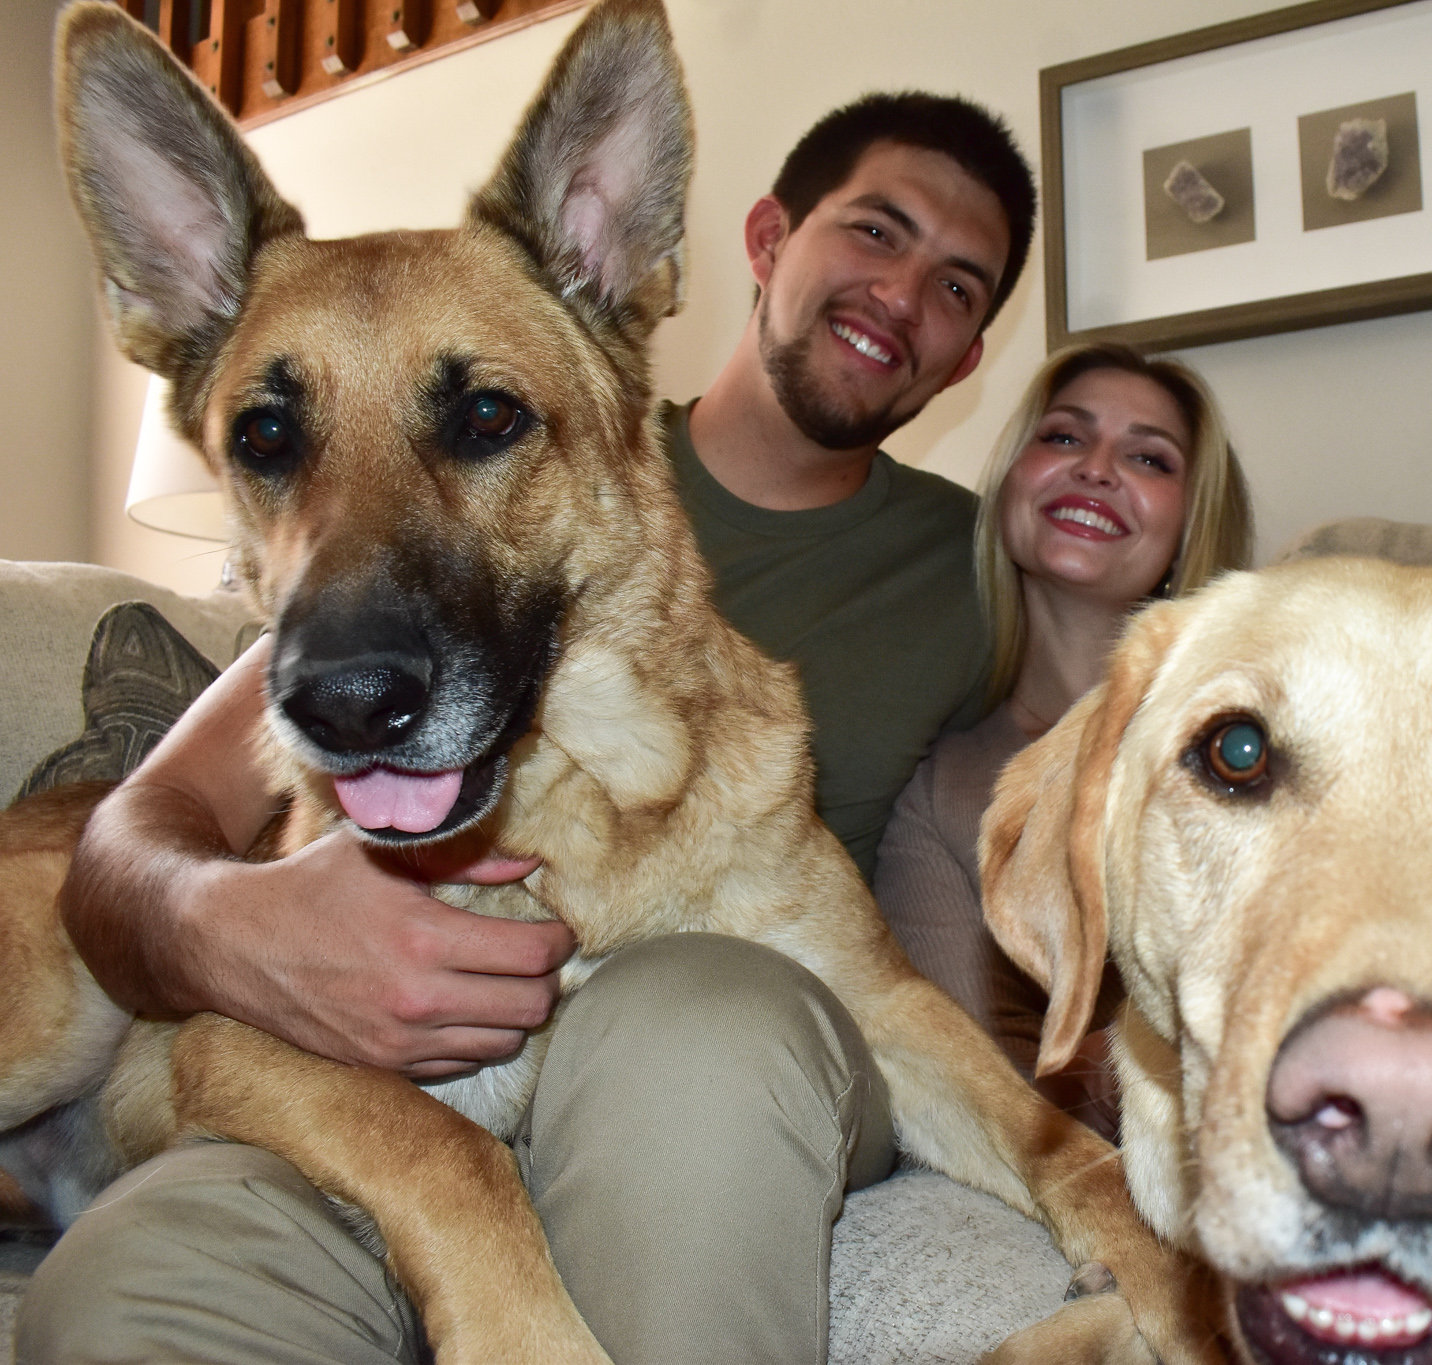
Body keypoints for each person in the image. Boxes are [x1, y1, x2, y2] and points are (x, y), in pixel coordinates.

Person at [21, 91, 1034, 1365]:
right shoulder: (543, 375)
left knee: (710, 1026)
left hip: (712, 1044)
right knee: (128, 1300)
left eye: (958, 286)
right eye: (877, 233)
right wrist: (234, 929)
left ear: (969, 357)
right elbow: (133, 839)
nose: (902, 294)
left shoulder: (984, 564)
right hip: (361, 1086)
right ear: (765, 237)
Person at [873, 343, 1253, 1140]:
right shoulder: (942, 788)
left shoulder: (1254, 746)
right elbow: (976, 1083)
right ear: (1012, 483)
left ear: (1190, 526)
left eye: (1148, 456)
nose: (1097, 468)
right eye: (1065, 438)